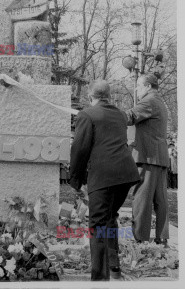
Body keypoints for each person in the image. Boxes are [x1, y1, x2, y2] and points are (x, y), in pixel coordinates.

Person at [69, 80, 139, 281]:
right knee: (109, 218)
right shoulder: (120, 114)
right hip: (126, 174)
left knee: (98, 224)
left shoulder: (87, 114)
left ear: (91, 96)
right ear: (108, 96)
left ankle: (99, 280)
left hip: (104, 175)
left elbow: (80, 149)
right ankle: (113, 267)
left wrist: (76, 181)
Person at [126, 74, 169, 244]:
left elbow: (129, 116)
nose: (136, 89)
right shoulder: (159, 101)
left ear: (148, 86)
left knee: (142, 199)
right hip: (159, 157)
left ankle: (139, 238)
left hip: (148, 157)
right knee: (161, 200)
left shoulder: (149, 101)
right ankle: (162, 237)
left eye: (139, 86)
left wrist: (106, 113)